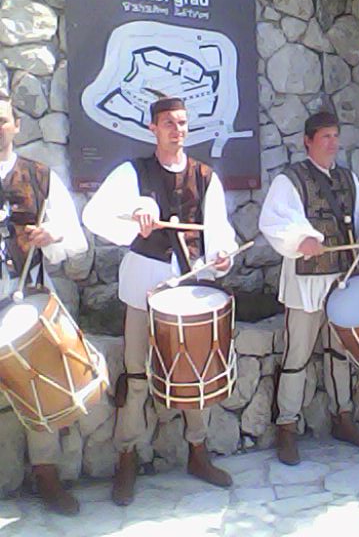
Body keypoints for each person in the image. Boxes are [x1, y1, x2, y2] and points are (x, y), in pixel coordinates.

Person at [82, 95, 238, 506]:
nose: (177, 130)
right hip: (143, 290)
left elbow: (218, 229)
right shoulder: (133, 173)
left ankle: (198, 452)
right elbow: (95, 216)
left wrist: (221, 256)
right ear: (153, 128)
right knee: (136, 379)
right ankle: (127, 459)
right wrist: (136, 211)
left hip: (191, 290)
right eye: (168, 123)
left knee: (195, 375)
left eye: (183, 123)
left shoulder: (206, 176)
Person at [259, 110, 359, 465]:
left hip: (341, 280)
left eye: (335, 136)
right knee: (297, 355)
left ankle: (343, 417)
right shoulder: (290, 180)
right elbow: (273, 222)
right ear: (308, 141)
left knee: (340, 351)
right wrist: (301, 240)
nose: (332, 143)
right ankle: (286, 426)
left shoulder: (347, 178)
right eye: (325, 137)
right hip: (305, 283)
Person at [0, 98, 88, 515]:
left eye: (2, 121)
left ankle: (47, 475)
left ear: (16, 125)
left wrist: (51, 235)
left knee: (41, 392)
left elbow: (76, 238)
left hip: (29, 298)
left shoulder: (39, 176)